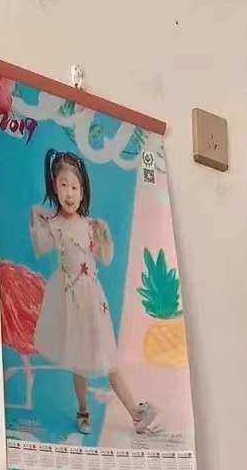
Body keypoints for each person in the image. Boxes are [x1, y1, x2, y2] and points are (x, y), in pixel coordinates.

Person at [30, 148, 156, 437]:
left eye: (74, 187)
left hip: (94, 301)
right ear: (54, 187)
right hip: (71, 301)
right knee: (81, 362)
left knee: (108, 359)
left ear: (83, 190)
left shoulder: (90, 225)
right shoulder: (55, 225)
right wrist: (35, 216)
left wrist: (106, 236)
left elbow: (106, 258)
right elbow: (40, 247)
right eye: (63, 185)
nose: (69, 193)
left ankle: (136, 413)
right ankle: (83, 410)